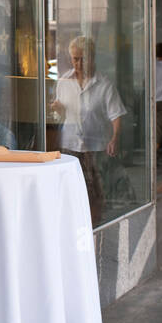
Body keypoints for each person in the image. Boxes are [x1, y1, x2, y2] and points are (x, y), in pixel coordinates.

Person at [51, 35, 127, 226]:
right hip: (70, 144)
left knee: (94, 191)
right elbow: (61, 115)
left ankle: (94, 224)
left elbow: (116, 115)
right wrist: (57, 110)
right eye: (75, 58)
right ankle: (73, 224)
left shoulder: (104, 84)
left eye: (82, 58)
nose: (78, 63)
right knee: (71, 190)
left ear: (92, 57)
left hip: (95, 146)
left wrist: (114, 138)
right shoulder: (64, 82)